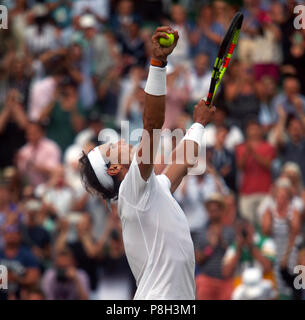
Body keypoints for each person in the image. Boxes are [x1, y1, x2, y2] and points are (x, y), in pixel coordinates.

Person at [79, 26, 216, 300]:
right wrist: (158, 63)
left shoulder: (149, 193)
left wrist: (198, 124)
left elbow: (182, 161)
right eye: (111, 147)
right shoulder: (132, 191)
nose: (120, 142)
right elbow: (152, 126)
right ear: (115, 168)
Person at [193, 193, 235, 300]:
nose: (213, 213)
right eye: (211, 211)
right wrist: (210, 247)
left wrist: (222, 241)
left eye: (216, 210)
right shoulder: (202, 233)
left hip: (226, 281)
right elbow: (197, 259)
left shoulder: (230, 232)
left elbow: (234, 255)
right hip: (206, 279)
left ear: (222, 211)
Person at [236, 120, 276, 224]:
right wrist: (246, 153)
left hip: (265, 191)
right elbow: (240, 167)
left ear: (260, 130)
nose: (253, 131)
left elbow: (268, 165)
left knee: (263, 222)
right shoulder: (241, 147)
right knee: (248, 223)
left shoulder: (268, 146)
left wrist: (253, 152)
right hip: (246, 192)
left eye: (255, 128)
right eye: (251, 129)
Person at [17, 122, 61, 187]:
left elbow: (55, 170)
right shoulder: (23, 151)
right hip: (30, 188)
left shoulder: (51, 147)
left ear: (42, 133)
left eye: (34, 133)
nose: (31, 136)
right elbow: (21, 174)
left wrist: (34, 166)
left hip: (49, 186)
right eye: (29, 133)